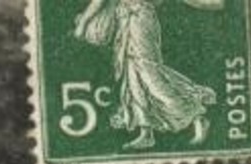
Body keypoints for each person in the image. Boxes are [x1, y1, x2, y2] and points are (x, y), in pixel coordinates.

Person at [74, 0, 215, 150]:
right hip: (128, 19)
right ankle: (146, 133)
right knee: (132, 75)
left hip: (138, 19)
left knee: (150, 76)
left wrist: (83, 23)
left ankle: (195, 116)